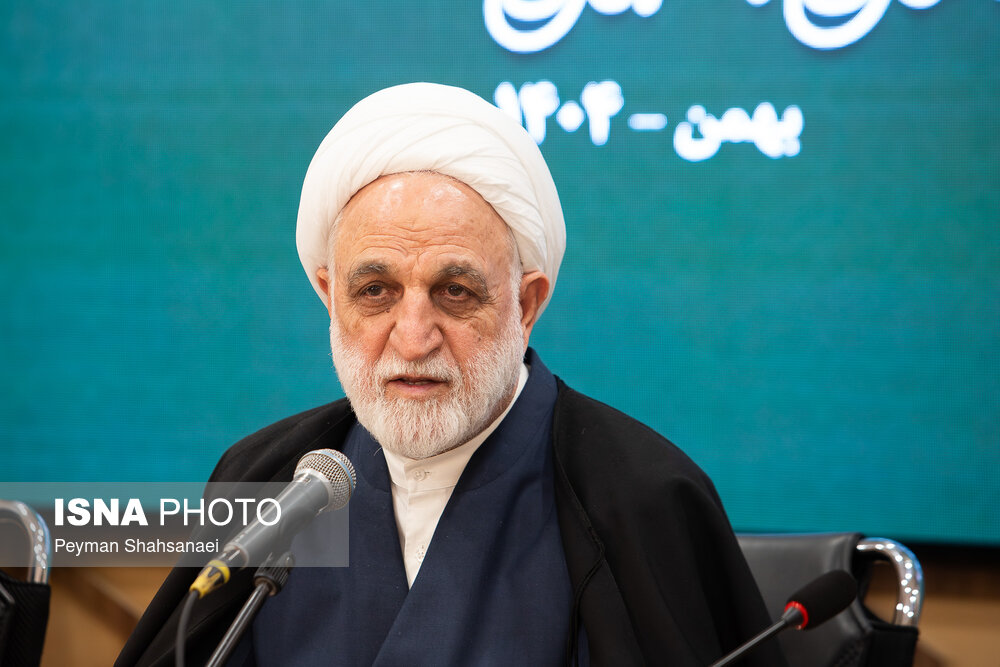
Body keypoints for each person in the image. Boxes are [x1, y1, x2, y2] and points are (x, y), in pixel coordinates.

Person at [117, 83, 785, 667]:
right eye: (375, 291)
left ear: (526, 304)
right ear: (329, 296)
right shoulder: (268, 480)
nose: (413, 338)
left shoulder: (643, 499)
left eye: (455, 292)